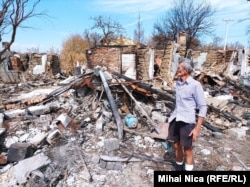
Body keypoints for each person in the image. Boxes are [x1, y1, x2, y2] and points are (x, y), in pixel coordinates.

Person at [167, 57, 207, 171]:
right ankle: (179, 167)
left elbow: (203, 107)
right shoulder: (178, 83)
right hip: (176, 118)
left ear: (186, 70)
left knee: (187, 149)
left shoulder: (195, 85)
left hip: (187, 121)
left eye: (179, 68)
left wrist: (197, 129)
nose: (177, 70)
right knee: (176, 145)